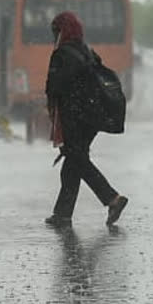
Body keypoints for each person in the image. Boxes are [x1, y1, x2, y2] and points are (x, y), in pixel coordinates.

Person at [44, 11, 128, 228]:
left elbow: (54, 87)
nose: (53, 36)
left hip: (74, 117)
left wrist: (51, 110)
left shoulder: (61, 55)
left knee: (78, 160)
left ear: (61, 31)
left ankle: (112, 198)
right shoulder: (87, 51)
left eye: (55, 31)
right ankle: (62, 215)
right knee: (73, 162)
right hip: (93, 117)